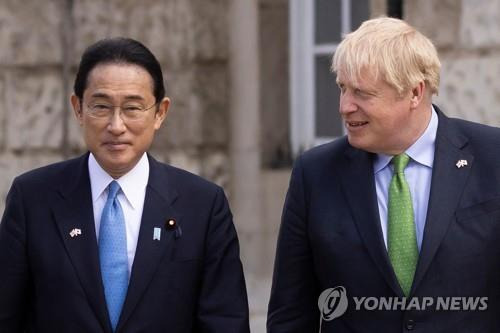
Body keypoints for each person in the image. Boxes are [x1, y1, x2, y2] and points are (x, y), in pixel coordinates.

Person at [0, 37, 250, 333]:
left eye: (133, 108)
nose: (116, 126)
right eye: (101, 106)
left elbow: (225, 322)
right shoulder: (33, 198)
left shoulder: (203, 205)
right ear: (78, 108)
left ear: (160, 113)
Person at [267, 17, 500, 332]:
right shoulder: (315, 174)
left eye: (362, 93)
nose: (344, 107)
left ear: (415, 93)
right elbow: (291, 313)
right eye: (342, 89)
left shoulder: (492, 156)